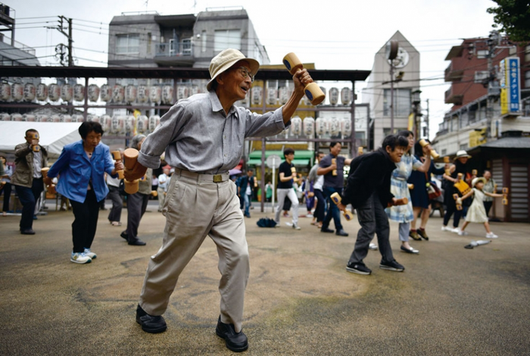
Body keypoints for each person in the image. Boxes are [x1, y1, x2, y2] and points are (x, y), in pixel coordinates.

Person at [125, 48, 313, 352]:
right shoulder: (190, 108)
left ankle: (229, 322)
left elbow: (275, 121)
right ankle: (148, 308)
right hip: (189, 189)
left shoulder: (242, 116)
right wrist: (134, 175)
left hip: (226, 191)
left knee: (239, 255)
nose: (249, 80)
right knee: (173, 256)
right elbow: (154, 142)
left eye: (251, 75)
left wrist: (298, 93)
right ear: (221, 77)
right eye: (243, 73)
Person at [47, 122, 123, 264]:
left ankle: (86, 248)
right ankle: (76, 252)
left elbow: (109, 169)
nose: (95, 141)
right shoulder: (70, 149)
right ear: (83, 137)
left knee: (92, 219)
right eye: (91, 137)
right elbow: (57, 166)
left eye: (98, 137)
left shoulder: (104, 149)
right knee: (82, 217)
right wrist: (48, 178)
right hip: (75, 190)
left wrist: (116, 168)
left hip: (96, 190)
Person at [336, 134, 410, 275]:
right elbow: (355, 179)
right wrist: (344, 200)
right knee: (369, 226)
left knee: (383, 224)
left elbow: (383, 185)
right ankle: (354, 261)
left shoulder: (388, 162)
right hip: (363, 194)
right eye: (399, 148)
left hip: (373, 194)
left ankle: (387, 259)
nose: (402, 152)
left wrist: (389, 198)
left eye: (404, 149)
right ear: (388, 148)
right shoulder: (375, 158)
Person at [386, 131, 432, 254]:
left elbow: (424, 168)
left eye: (412, 138)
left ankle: (405, 243)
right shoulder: (393, 153)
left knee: (406, 216)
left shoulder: (410, 158)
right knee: (382, 214)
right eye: (408, 138)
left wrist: (428, 155)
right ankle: (371, 240)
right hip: (390, 185)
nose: (411, 140)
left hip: (404, 188)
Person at [407, 139, 446, 242]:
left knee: (428, 208)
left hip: (426, 186)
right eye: (425, 146)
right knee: (416, 208)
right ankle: (413, 230)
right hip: (416, 186)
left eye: (429, 146)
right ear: (420, 148)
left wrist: (445, 168)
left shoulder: (429, 159)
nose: (428, 148)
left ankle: (422, 228)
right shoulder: (414, 158)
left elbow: (435, 170)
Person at [11, 129, 48, 235]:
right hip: (23, 180)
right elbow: (18, 154)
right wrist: (29, 148)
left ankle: (24, 224)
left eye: (36, 137)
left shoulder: (42, 150)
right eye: (32, 137)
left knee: (31, 204)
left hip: (37, 180)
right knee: (29, 202)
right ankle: (26, 227)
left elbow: (43, 163)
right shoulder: (21, 147)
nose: (35, 139)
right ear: (26, 138)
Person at [120, 135, 151, 246]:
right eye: (143, 141)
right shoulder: (131, 155)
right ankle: (132, 238)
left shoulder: (148, 154)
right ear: (137, 144)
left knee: (139, 213)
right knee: (135, 214)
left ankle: (128, 232)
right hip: (135, 188)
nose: (146, 143)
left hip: (146, 189)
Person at [318, 142, 352, 236]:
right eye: (337, 147)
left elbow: (351, 162)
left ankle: (324, 226)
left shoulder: (341, 159)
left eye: (340, 147)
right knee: (336, 205)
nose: (339, 149)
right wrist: (330, 168)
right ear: (331, 147)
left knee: (332, 207)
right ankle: (339, 228)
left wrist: (361, 158)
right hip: (329, 187)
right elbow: (319, 171)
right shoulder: (325, 159)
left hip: (339, 187)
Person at [441, 150, 472, 233]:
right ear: (459, 158)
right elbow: (444, 175)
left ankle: (455, 226)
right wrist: (453, 180)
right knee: (450, 208)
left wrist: (470, 179)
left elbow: (463, 179)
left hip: (460, 189)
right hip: (451, 189)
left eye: (466, 157)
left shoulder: (465, 167)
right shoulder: (454, 166)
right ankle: (445, 225)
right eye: (463, 157)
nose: (465, 159)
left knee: (459, 207)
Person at [274, 148, 301, 229]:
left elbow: (293, 177)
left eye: (293, 154)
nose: (292, 156)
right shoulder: (282, 165)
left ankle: (295, 223)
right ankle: (277, 221)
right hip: (281, 188)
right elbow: (282, 178)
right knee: (280, 206)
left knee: (296, 203)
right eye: (291, 154)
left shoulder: (292, 165)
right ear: (286, 156)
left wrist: (296, 179)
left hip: (290, 187)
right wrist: (291, 177)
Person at [307, 151, 325, 228]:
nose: (322, 159)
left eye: (323, 157)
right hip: (317, 188)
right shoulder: (314, 168)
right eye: (321, 157)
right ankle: (320, 221)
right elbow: (309, 180)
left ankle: (314, 218)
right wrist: (308, 191)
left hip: (324, 188)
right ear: (317, 158)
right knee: (322, 203)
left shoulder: (326, 166)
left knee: (320, 204)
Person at [107, 150, 123, 226]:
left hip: (118, 186)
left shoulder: (123, 164)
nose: (122, 156)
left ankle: (111, 217)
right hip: (112, 186)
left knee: (116, 203)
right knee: (119, 203)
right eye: (120, 154)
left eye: (122, 155)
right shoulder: (112, 162)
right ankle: (115, 220)